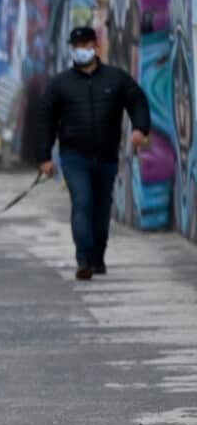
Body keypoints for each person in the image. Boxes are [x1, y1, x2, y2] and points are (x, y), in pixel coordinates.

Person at [34, 26, 151, 280]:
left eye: (85, 45)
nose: (81, 51)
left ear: (95, 46)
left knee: (101, 208)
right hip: (74, 156)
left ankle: (97, 258)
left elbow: (137, 100)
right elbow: (45, 120)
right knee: (82, 201)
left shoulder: (115, 79)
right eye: (76, 46)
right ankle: (83, 260)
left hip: (107, 156)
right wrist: (44, 157)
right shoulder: (60, 84)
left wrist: (140, 128)